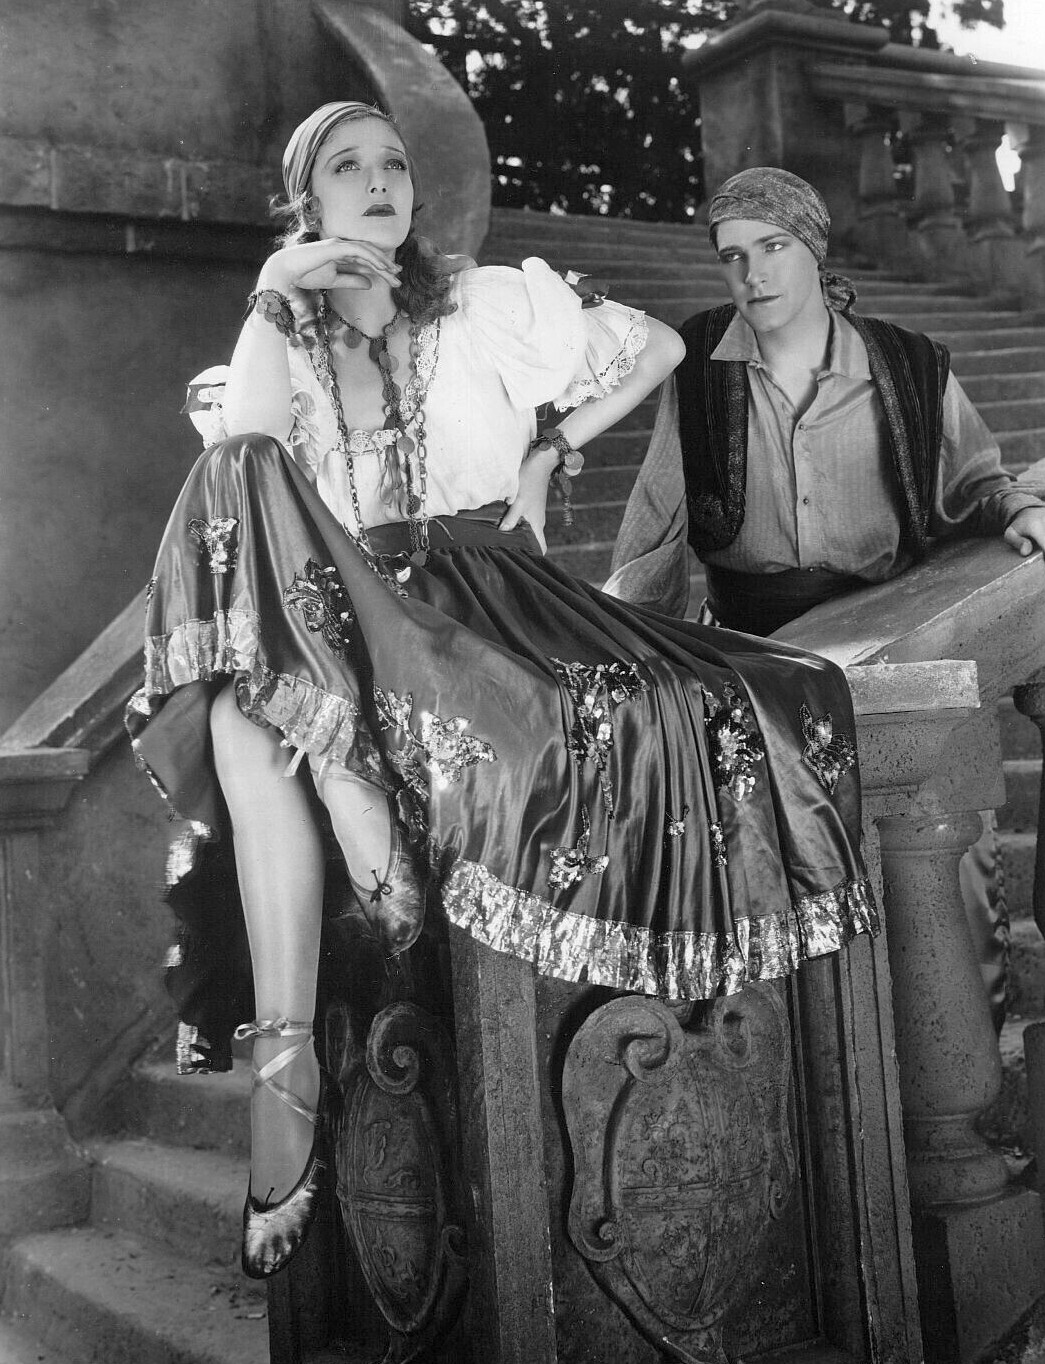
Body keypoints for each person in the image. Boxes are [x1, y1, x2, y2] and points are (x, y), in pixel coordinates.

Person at [127, 115, 877, 1283]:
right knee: (237, 556)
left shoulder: (478, 304)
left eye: (392, 163)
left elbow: (653, 349)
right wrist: (279, 283)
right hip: (345, 618)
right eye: (345, 168)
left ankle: (334, 794)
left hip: (480, 600)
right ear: (306, 203)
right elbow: (253, 458)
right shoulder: (277, 337)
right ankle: (291, 1048)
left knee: (250, 712)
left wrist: (548, 449)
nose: (380, 181)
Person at [605, 165, 1045, 1024]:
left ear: (812, 248)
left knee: (947, 879)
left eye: (772, 246)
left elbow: (975, 479)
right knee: (801, 889)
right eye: (732, 255)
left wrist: (1018, 509)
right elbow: (656, 524)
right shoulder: (697, 366)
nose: (752, 273)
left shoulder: (907, 364)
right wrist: (627, 652)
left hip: (899, 632)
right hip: (759, 656)